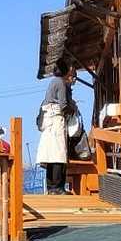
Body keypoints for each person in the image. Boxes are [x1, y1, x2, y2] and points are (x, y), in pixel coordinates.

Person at [37, 61, 79, 193]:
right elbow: (63, 105)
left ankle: (51, 187)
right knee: (58, 154)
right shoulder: (60, 82)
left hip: (48, 121)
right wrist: (73, 109)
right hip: (56, 120)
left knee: (50, 155)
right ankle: (57, 187)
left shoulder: (53, 81)